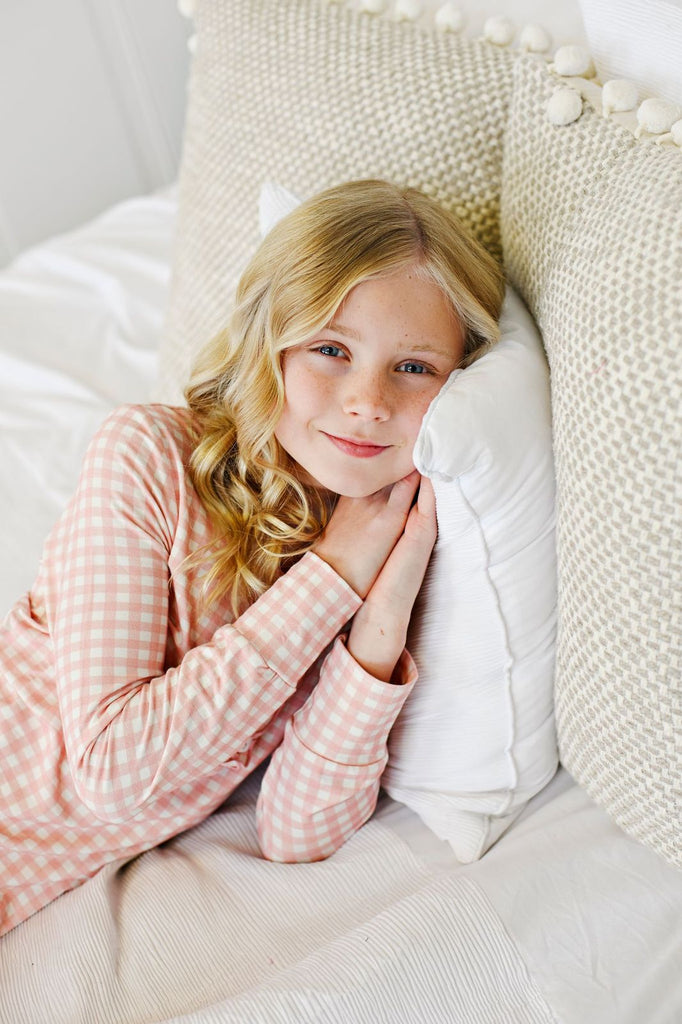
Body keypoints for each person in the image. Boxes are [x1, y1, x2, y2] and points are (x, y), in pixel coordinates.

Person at [0, 179, 504, 935]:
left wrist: (379, 614)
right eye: (331, 350)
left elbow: (296, 831)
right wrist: (330, 576)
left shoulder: (374, 543)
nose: (368, 401)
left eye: (414, 368)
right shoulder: (148, 454)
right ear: (269, 349)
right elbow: (110, 770)